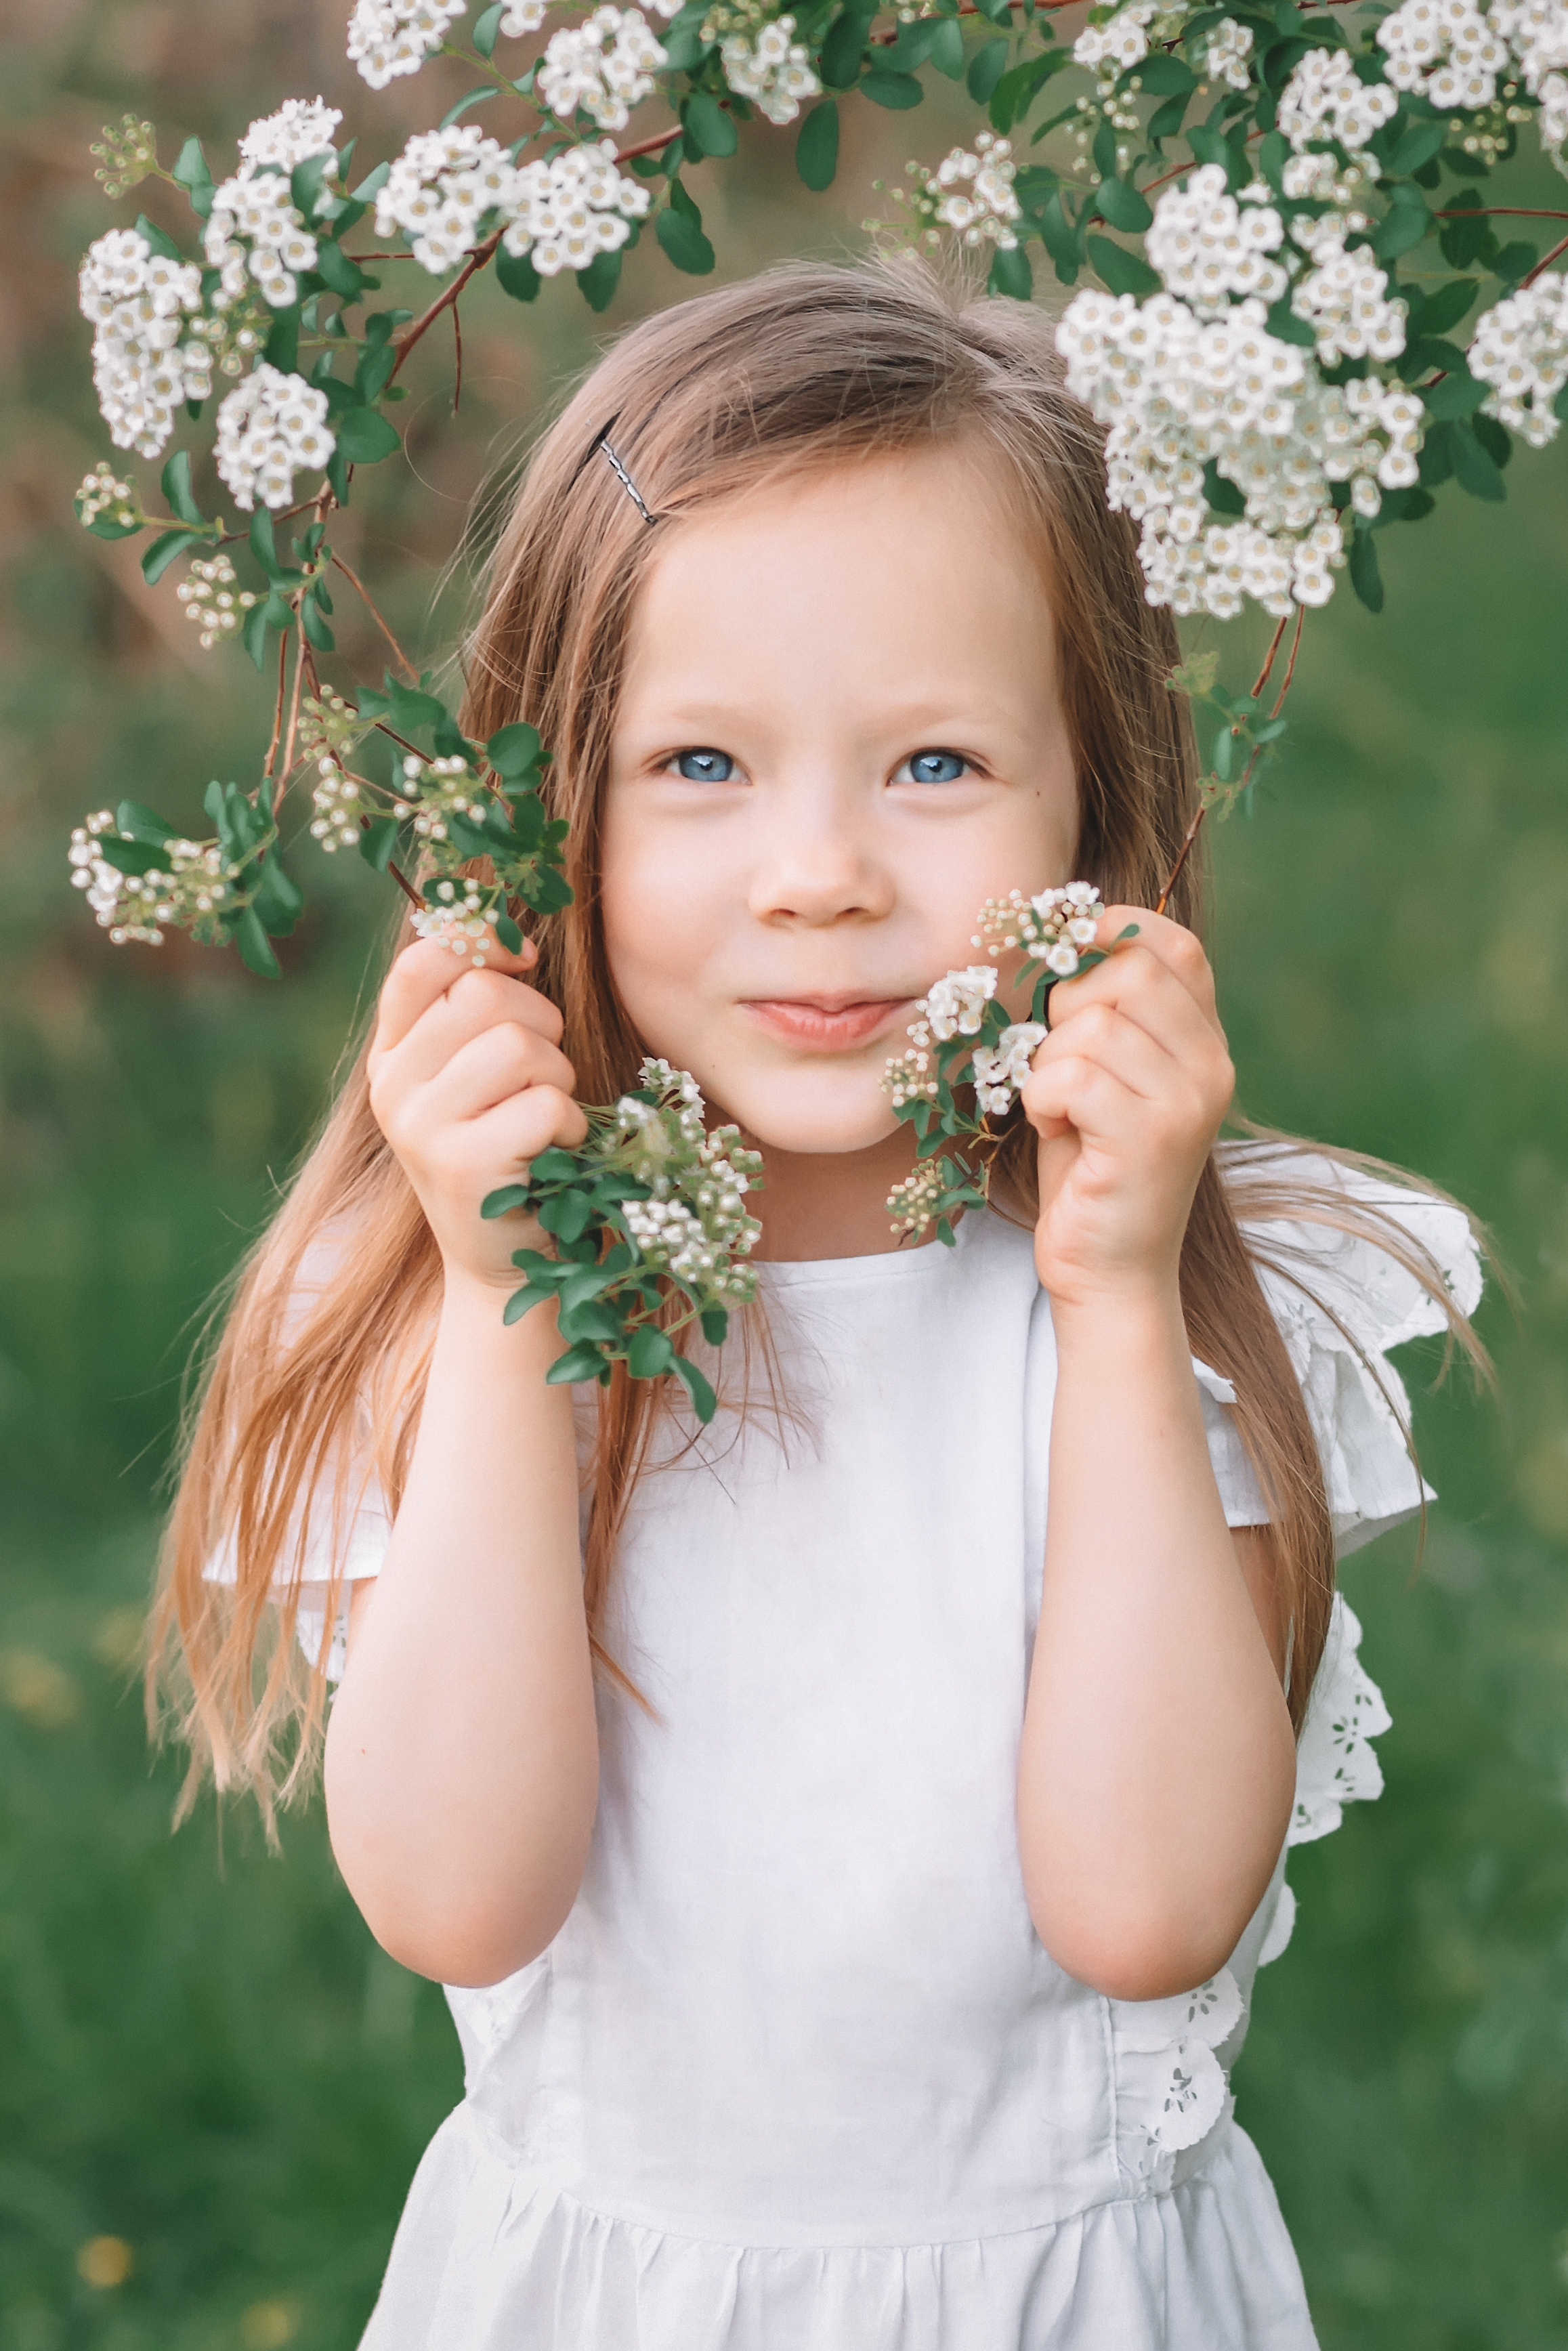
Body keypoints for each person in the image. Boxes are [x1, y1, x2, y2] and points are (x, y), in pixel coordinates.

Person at [153, 261, 1485, 2348]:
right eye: (698, 764)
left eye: (935, 766)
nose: (819, 873)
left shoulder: (1180, 1301)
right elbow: (451, 1892)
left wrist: (1118, 1298)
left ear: (1094, 813)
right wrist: (517, 1298)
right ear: (539, 819)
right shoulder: (449, 1292)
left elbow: (1143, 1912)